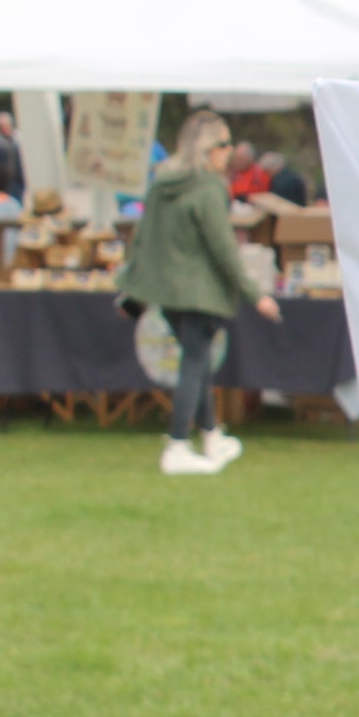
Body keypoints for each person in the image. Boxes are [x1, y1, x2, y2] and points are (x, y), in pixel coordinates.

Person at [115, 110, 280, 478]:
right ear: (210, 149)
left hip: (167, 291)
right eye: (224, 144)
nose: (229, 151)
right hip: (199, 291)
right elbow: (223, 247)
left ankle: (210, 435)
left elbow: (144, 240)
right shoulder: (208, 188)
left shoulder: (161, 185)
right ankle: (177, 444)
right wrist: (256, 295)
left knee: (199, 363)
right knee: (195, 364)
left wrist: (133, 288)